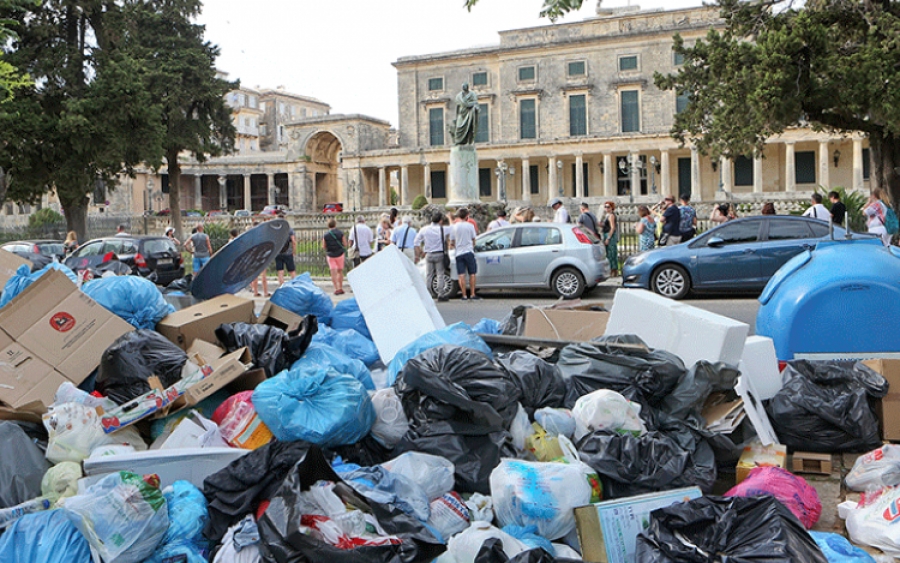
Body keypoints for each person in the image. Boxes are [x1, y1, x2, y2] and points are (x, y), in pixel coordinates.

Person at [414, 211, 451, 302]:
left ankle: (428, 293)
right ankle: (441, 294)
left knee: (429, 275)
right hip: (439, 253)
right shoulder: (443, 229)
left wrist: (421, 252)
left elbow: (416, 242)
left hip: (429, 254)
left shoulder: (424, 229)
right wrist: (450, 218)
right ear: (440, 221)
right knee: (440, 275)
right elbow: (453, 228)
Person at [450, 208, 479, 301]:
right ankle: (473, 294)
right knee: (472, 273)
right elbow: (474, 239)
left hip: (459, 252)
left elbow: (452, 241)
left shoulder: (454, 227)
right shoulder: (470, 226)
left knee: (461, 274)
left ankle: (464, 295)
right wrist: (472, 246)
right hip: (469, 251)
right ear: (467, 216)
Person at [322, 218, 347, 295]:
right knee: (340, 271)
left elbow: (323, 246)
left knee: (333, 272)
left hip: (330, 255)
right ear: (335, 224)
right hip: (340, 254)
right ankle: (340, 287)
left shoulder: (326, 235)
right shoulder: (340, 233)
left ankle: (336, 288)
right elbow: (345, 244)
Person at [601, 202, 619, 276]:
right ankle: (612, 270)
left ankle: (613, 270)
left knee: (611, 253)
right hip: (607, 234)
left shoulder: (611, 215)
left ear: (612, 207)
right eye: (605, 207)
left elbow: (612, 227)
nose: (606, 208)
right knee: (609, 253)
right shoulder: (607, 215)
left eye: (608, 207)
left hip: (610, 235)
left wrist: (608, 238)